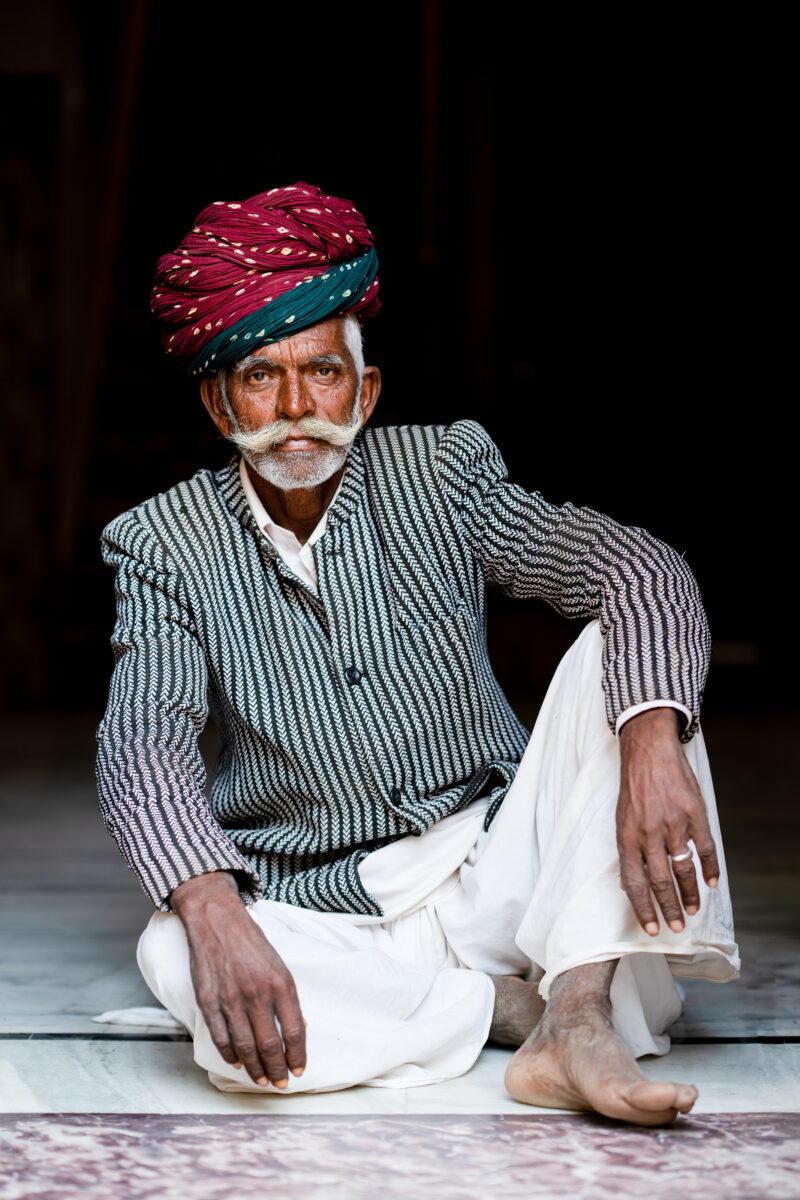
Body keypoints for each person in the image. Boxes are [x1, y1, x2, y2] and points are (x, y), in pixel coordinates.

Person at [96, 182, 738, 1126]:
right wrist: (215, 908)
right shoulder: (163, 542)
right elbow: (142, 740)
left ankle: (574, 1012)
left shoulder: (441, 472)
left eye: (322, 372)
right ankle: (515, 1012)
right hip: (334, 914)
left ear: (366, 391)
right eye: (260, 377)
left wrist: (652, 744)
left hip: (504, 874)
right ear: (219, 405)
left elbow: (635, 568)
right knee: (172, 946)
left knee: (629, 664)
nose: (295, 407)